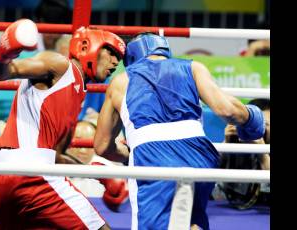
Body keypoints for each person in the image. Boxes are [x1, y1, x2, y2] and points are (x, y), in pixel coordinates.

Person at [93, 33, 265, 230]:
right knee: (193, 220)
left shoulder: (120, 82)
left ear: (131, 57)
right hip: (199, 155)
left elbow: (102, 145)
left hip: (151, 158)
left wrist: (128, 155)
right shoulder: (193, 67)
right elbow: (227, 109)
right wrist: (253, 121)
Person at [0, 18, 126, 229]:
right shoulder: (61, 65)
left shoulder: (77, 95)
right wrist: (5, 53)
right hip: (31, 175)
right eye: (111, 53)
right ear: (87, 46)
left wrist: (96, 174)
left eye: (119, 58)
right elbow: (4, 72)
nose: (115, 62)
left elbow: (55, 156)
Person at [219, 99, 270, 209]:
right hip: (227, 209)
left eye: (265, 124)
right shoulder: (235, 142)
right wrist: (226, 144)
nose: (259, 129)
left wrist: (263, 154)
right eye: (253, 124)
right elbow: (207, 175)